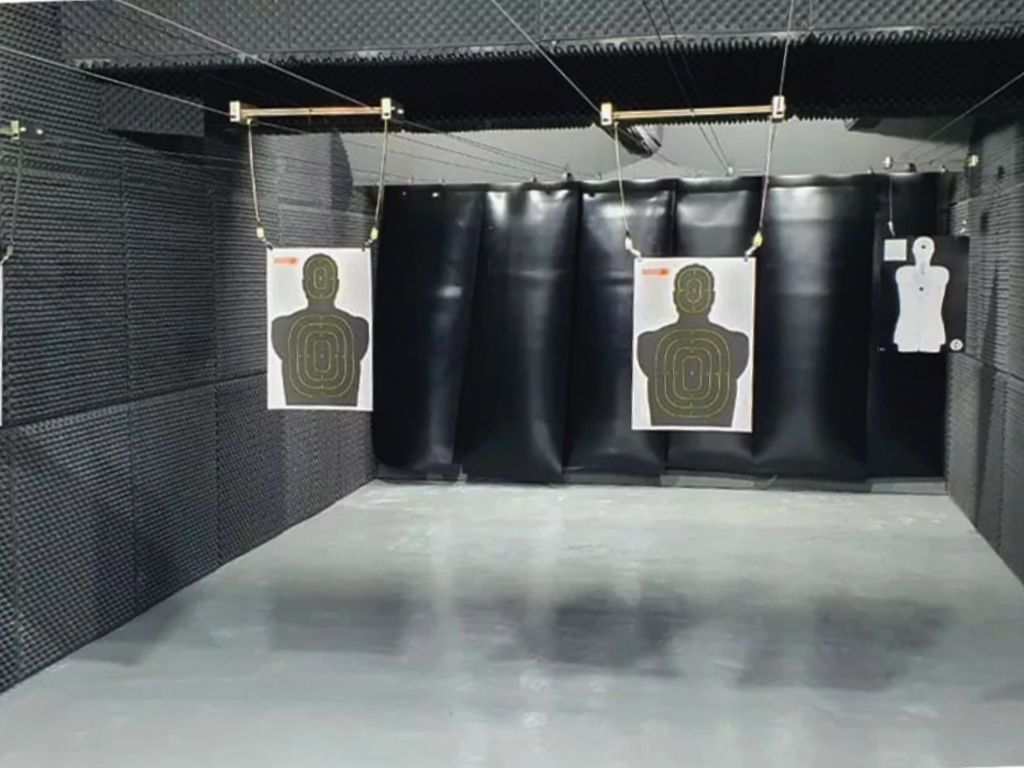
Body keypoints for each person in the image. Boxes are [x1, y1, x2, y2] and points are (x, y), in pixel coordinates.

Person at [637, 263, 749, 428]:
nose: (694, 295)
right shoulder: (649, 342)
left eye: (698, 290)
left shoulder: (737, 342)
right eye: (689, 289)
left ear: (712, 296)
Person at [271, 253, 369, 406]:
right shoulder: (358, 326)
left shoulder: (281, 326)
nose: (321, 281)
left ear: (304, 284)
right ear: (336, 284)